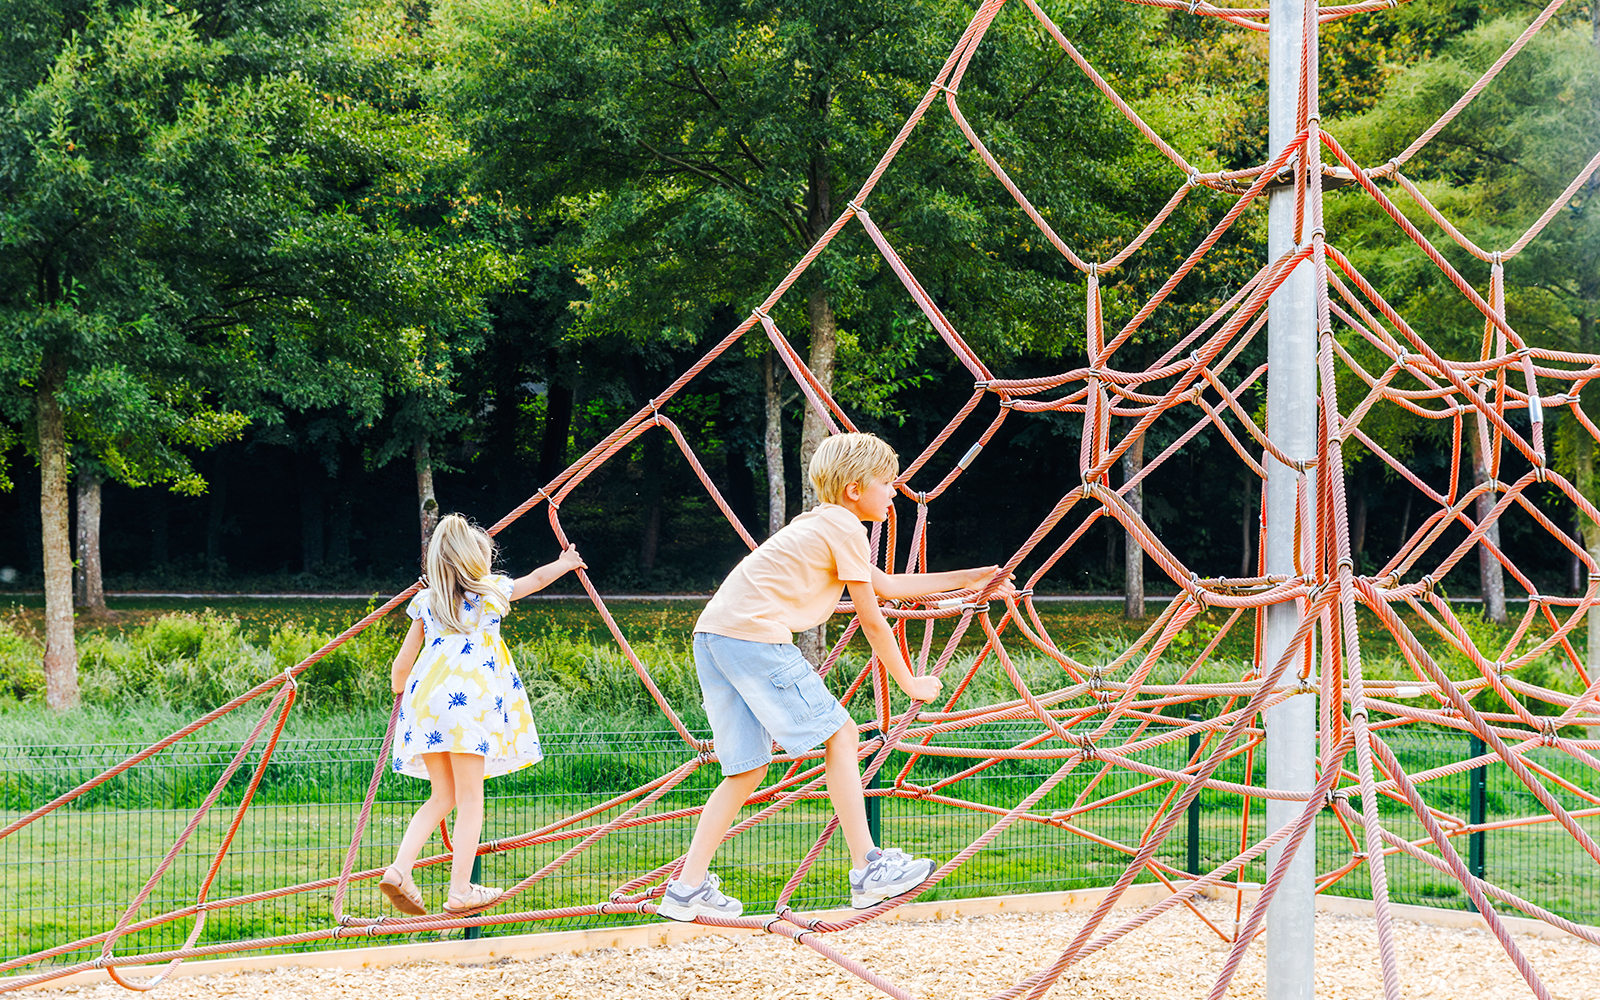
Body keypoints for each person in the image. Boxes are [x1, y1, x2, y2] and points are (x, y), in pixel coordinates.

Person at [657, 432, 1012, 921]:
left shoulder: (820, 523)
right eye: (886, 483)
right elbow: (872, 617)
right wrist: (910, 682)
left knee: (746, 770)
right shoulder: (845, 526)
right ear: (854, 490)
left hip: (716, 637)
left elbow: (885, 586)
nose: (893, 492)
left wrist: (968, 577)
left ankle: (686, 887)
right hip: (756, 637)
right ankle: (869, 867)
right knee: (842, 733)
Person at [378, 514, 585, 916]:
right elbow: (536, 580)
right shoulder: (491, 592)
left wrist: (400, 692)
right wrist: (565, 563)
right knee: (471, 798)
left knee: (443, 795)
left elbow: (401, 667)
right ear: (476, 562)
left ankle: (401, 869)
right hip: (468, 706)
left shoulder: (427, 603)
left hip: (427, 706)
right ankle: (460, 891)